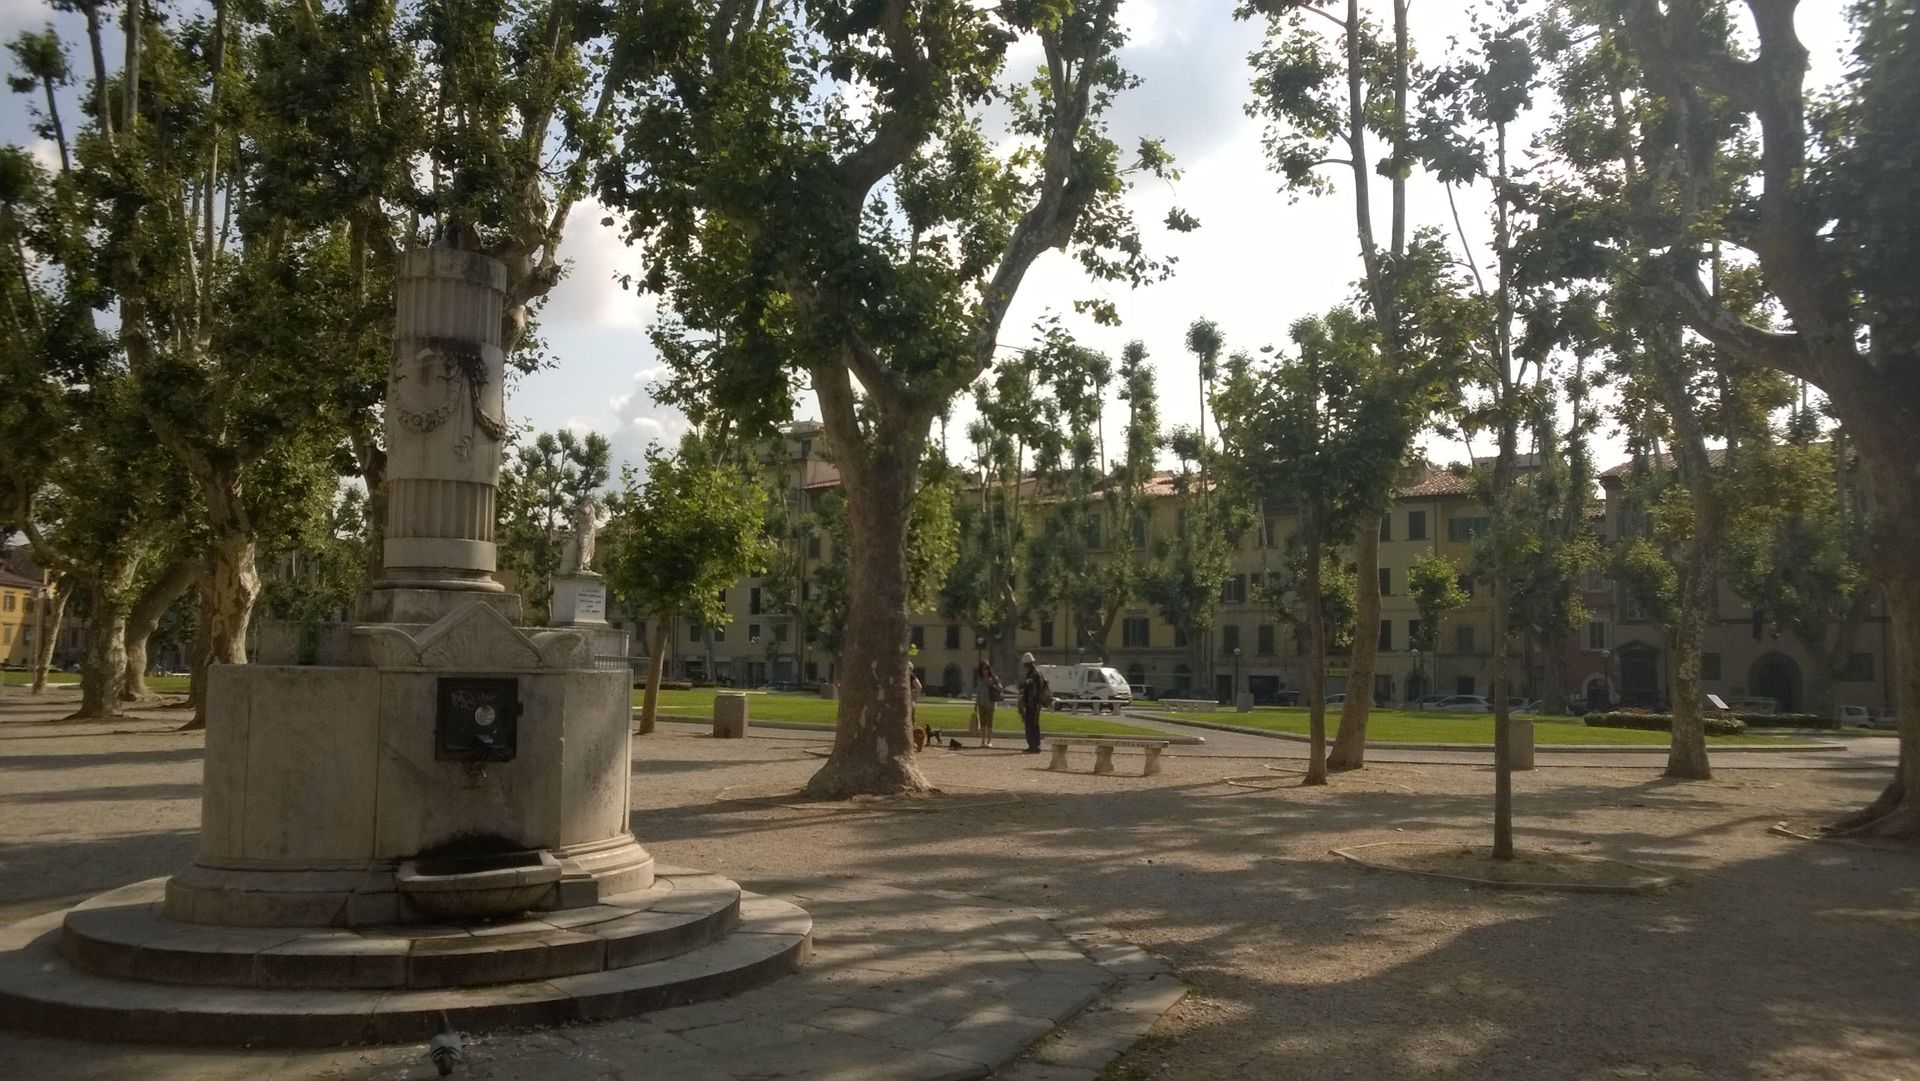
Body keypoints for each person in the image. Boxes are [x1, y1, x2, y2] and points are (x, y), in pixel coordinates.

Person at [1017, 652, 1048, 754]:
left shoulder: (1034, 674)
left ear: (1028, 663)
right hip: (1032, 703)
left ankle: (1034, 745)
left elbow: (1035, 690)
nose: (1024, 665)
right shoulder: (1035, 673)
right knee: (1032, 724)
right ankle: (1033, 744)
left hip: (1033, 703)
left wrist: (1027, 698)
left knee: (1032, 724)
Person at [972, 660, 1002, 748]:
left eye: (986, 668)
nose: (985, 670)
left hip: (990, 702)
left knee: (989, 722)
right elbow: (978, 692)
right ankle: (983, 741)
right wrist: (976, 703)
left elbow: (1000, 689)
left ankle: (989, 741)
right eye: (983, 668)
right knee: (982, 722)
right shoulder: (979, 679)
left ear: (989, 669)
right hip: (981, 702)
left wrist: (991, 683)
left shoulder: (994, 677)